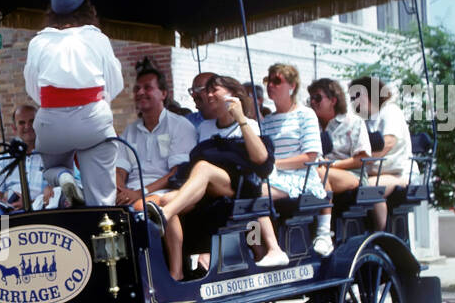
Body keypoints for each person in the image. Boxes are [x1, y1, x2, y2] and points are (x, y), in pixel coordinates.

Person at [153, 74, 287, 277]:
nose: (209, 94)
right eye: (207, 90)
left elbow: (261, 160)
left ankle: (164, 216)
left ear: (233, 94)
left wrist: (241, 118)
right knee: (166, 199)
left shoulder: (249, 124)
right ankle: (176, 272)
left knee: (204, 167)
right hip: (207, 190)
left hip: (236, 187)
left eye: (214, 89)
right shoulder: (205, 127)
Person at [23, 0, 123, 206]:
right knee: (102, 196)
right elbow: (114, 83)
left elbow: (32, 88)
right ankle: (102, 228)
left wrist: (57, 108)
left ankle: (62, 176)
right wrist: (96, 106)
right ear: (87, 9)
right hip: (92, 118)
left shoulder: (38, 42)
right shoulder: (97, 38)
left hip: (51, 122)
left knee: (50, 168)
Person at [261, 63, 331, 256]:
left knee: (257, 193)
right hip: (274, 177)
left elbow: (310, 156)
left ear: (292, 86)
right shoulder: (266, 121)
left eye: (277, 81)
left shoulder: (305, 115)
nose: (271, 85)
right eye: (268, 80)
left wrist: (275, 164)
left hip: (301, 178)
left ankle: (275, 250)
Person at [307, 77, 388, 231]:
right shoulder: (310, 125)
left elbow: (363, 157)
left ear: (333, 100)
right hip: (318, 171)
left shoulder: (353, 122)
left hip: (353, 175)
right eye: (310, 98)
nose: (313, 102)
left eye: (317, 98)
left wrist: (333, 165)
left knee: (319, 175)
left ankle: (323, 231)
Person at [115, 60, 197, 210]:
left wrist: (141, 193)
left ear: (163, 94)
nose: (140, 93)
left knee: (140, 207)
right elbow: (120, 170)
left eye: (147, 88)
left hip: (165, 192)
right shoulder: (130, 130)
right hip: (131, 192)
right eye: (137, 89)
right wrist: (121, 192)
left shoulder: (180, 125)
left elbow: (176, 172)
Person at [0, 104, 58, 215]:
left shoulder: (54, 152)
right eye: (22, 123)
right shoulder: (5, 157)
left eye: (32, 121)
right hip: (12, 211)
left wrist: (30, 202)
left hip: (43, 211)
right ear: (14, 128)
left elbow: (68, 184)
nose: (27, 126)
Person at [349, 75, 415, 194]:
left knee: (365, 189)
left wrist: (362, 160)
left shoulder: (390, 111)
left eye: (357, 96)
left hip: (398, 174)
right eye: (352, 98)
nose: (354, 102)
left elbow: (388, 143)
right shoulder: (367, 120)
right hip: (375, 174)